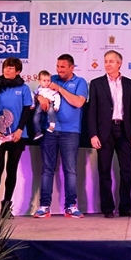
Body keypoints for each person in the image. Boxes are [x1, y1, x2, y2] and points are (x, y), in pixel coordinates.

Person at [34, 54, 87, 219]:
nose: (59, 70)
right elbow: (37, 92)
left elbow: (78, 102)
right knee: (47, 169)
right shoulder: (51, 79)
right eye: (57, 66)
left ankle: (70, 206)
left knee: (70, 170)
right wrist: (40, 97)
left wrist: (60, 89)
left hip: (71, 131)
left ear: (72, 67)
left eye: (63, 67)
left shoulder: (80, 82)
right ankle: (44, 206)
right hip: (50, 130)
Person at [88, 50, 131, 218]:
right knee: (104, 171)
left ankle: (125, 207)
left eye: (111, 61)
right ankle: (108, 208)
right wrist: (93, 134)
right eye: (106, 61)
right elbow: (92, 111)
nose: (108, 64)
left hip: (124, 130)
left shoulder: (129, 83)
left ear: (119, 63)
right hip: (105, 132)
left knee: (127, 171)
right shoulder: (96, 83)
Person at [0, 57, 32, 218]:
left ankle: (6, 207)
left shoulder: (24, 89)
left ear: (18, 71)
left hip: (17, 136)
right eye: (5, 67)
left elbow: (26, 111)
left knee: (11, 170)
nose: (7, 70)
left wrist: (19, 130)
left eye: (11, 68)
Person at [32, 70, 60, 140]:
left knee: (51, 111)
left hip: (50, 103)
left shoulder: (51, 89)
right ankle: (37, 131)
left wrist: (56, 105)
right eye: (44, 81)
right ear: (39, 81)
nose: (47, 82)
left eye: (48, 80)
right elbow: (33, 95)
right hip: (40, 104)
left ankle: (52, 125)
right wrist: (33, 104)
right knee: (36, 116)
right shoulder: (38, 89)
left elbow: (57, 96)